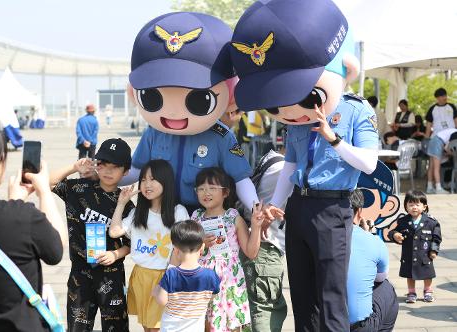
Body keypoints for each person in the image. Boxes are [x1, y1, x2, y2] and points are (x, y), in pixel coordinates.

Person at [231, 1, 378, 330]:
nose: (291, 108)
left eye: (305, 94)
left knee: (330, 293)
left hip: (332, 207)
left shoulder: (356, 111)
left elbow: (369, 163)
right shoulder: (295, 122)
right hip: (298, 206)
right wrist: (274, 206)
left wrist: (333, 138)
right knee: (301, 290)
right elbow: (289, 167)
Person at [120, 12, 258, 215]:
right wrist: (106, 175)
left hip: (203, 217)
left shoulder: (221, 137)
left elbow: (240, 178)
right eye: (152, 97)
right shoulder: (154, 133)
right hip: (161, 215)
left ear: (230, 96)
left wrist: (256, 208)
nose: (174, 112)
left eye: (200, 100)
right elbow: (137, 170)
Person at [0, 119, 65, 331]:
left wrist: (14, 203)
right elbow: (56, 250)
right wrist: (43, 192)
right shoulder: (22, 217)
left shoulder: (17, 214)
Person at [50, 138, 133, 332]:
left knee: (116, 326)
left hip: (111, 274)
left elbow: (131, 243)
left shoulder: (126, 204)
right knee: (77, 326)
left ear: (126, 171)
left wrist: (115, 254)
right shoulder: (79, 189)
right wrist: (73, 167)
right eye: (103, 165)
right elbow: (47, 182)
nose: (108, 171)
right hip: (80, 272)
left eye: (115, 167)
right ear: (96, 165)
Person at [109, 159, 190, 332]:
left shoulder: (178, 212)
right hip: (140, 275)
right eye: (143, 180)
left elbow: (184, 248)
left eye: (152, 179)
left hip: (166, 276)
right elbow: (114, 231)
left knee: (157, 327)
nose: (147, 184)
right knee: (147, 326)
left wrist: (171, 278)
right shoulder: (138, 212)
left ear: (165, 181)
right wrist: (121, 203)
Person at [191, 167, 264, 332]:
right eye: (201, 189)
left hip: (230, 282)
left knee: (231, 325)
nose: (206, 192)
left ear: (225, 192)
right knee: (204, 325)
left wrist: (256, 226)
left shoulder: (233, 217)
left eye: (212, 188)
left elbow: (251, 252)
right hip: (202, 280)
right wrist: (201, 243)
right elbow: (187, 252)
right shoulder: (196, 217)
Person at [239, 150, 288, 332]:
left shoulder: (269, 159)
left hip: (257, 245)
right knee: (265, 309)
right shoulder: (283, 168)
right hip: (267, 248)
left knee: (258, 308)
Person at [152, 220, 221, 331]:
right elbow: (212, 296)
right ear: (202, 248)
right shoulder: (210, 275)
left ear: (175, 250)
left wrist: (156, 291)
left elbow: (162, 300)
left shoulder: (171, 274)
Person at [348, 190, 399, 331]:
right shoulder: (372, 240)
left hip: (320, 321)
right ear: (359, 212)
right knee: (386, 288)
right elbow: (380, 276)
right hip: (355, 326)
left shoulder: (314, 238)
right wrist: (369, 235)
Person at [388, 191, 442, 303]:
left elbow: (436, 237)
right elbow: (391, 232)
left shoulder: (430, 222)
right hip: (409, 255)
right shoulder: (403, 221)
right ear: (406, 206)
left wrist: (434, 251)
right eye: (411, 205)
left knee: (427, 274)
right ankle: (411, 292)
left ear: (424, 206)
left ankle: (428, 291)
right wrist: (395, 235)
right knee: (410, 274)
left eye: (417, 205)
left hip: (425, 255)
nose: (414, 208)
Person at [425, 88, 457, 194]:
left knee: (439, 164)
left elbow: (456, 121)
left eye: (445, 95)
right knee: (433, 165)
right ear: (437, 98)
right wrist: (426, 138)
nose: (445, 98)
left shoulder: (451, 107)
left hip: (449, 139)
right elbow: (428, 125)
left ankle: (436, 185)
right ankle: (435, 187)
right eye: (442, 96)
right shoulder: (432, 109)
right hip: (437, 139)